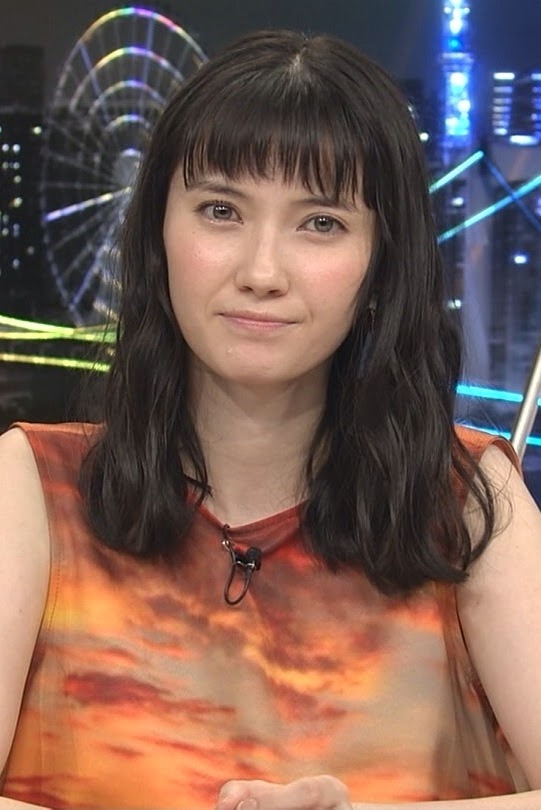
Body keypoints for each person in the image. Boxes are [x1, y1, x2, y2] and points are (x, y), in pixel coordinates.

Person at [1, 28, 540, 810]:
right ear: (157, 235)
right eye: (221, 211)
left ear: (381, 264)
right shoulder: (31, 488)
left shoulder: (464, 500)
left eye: (319, 223)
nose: (260, 272)